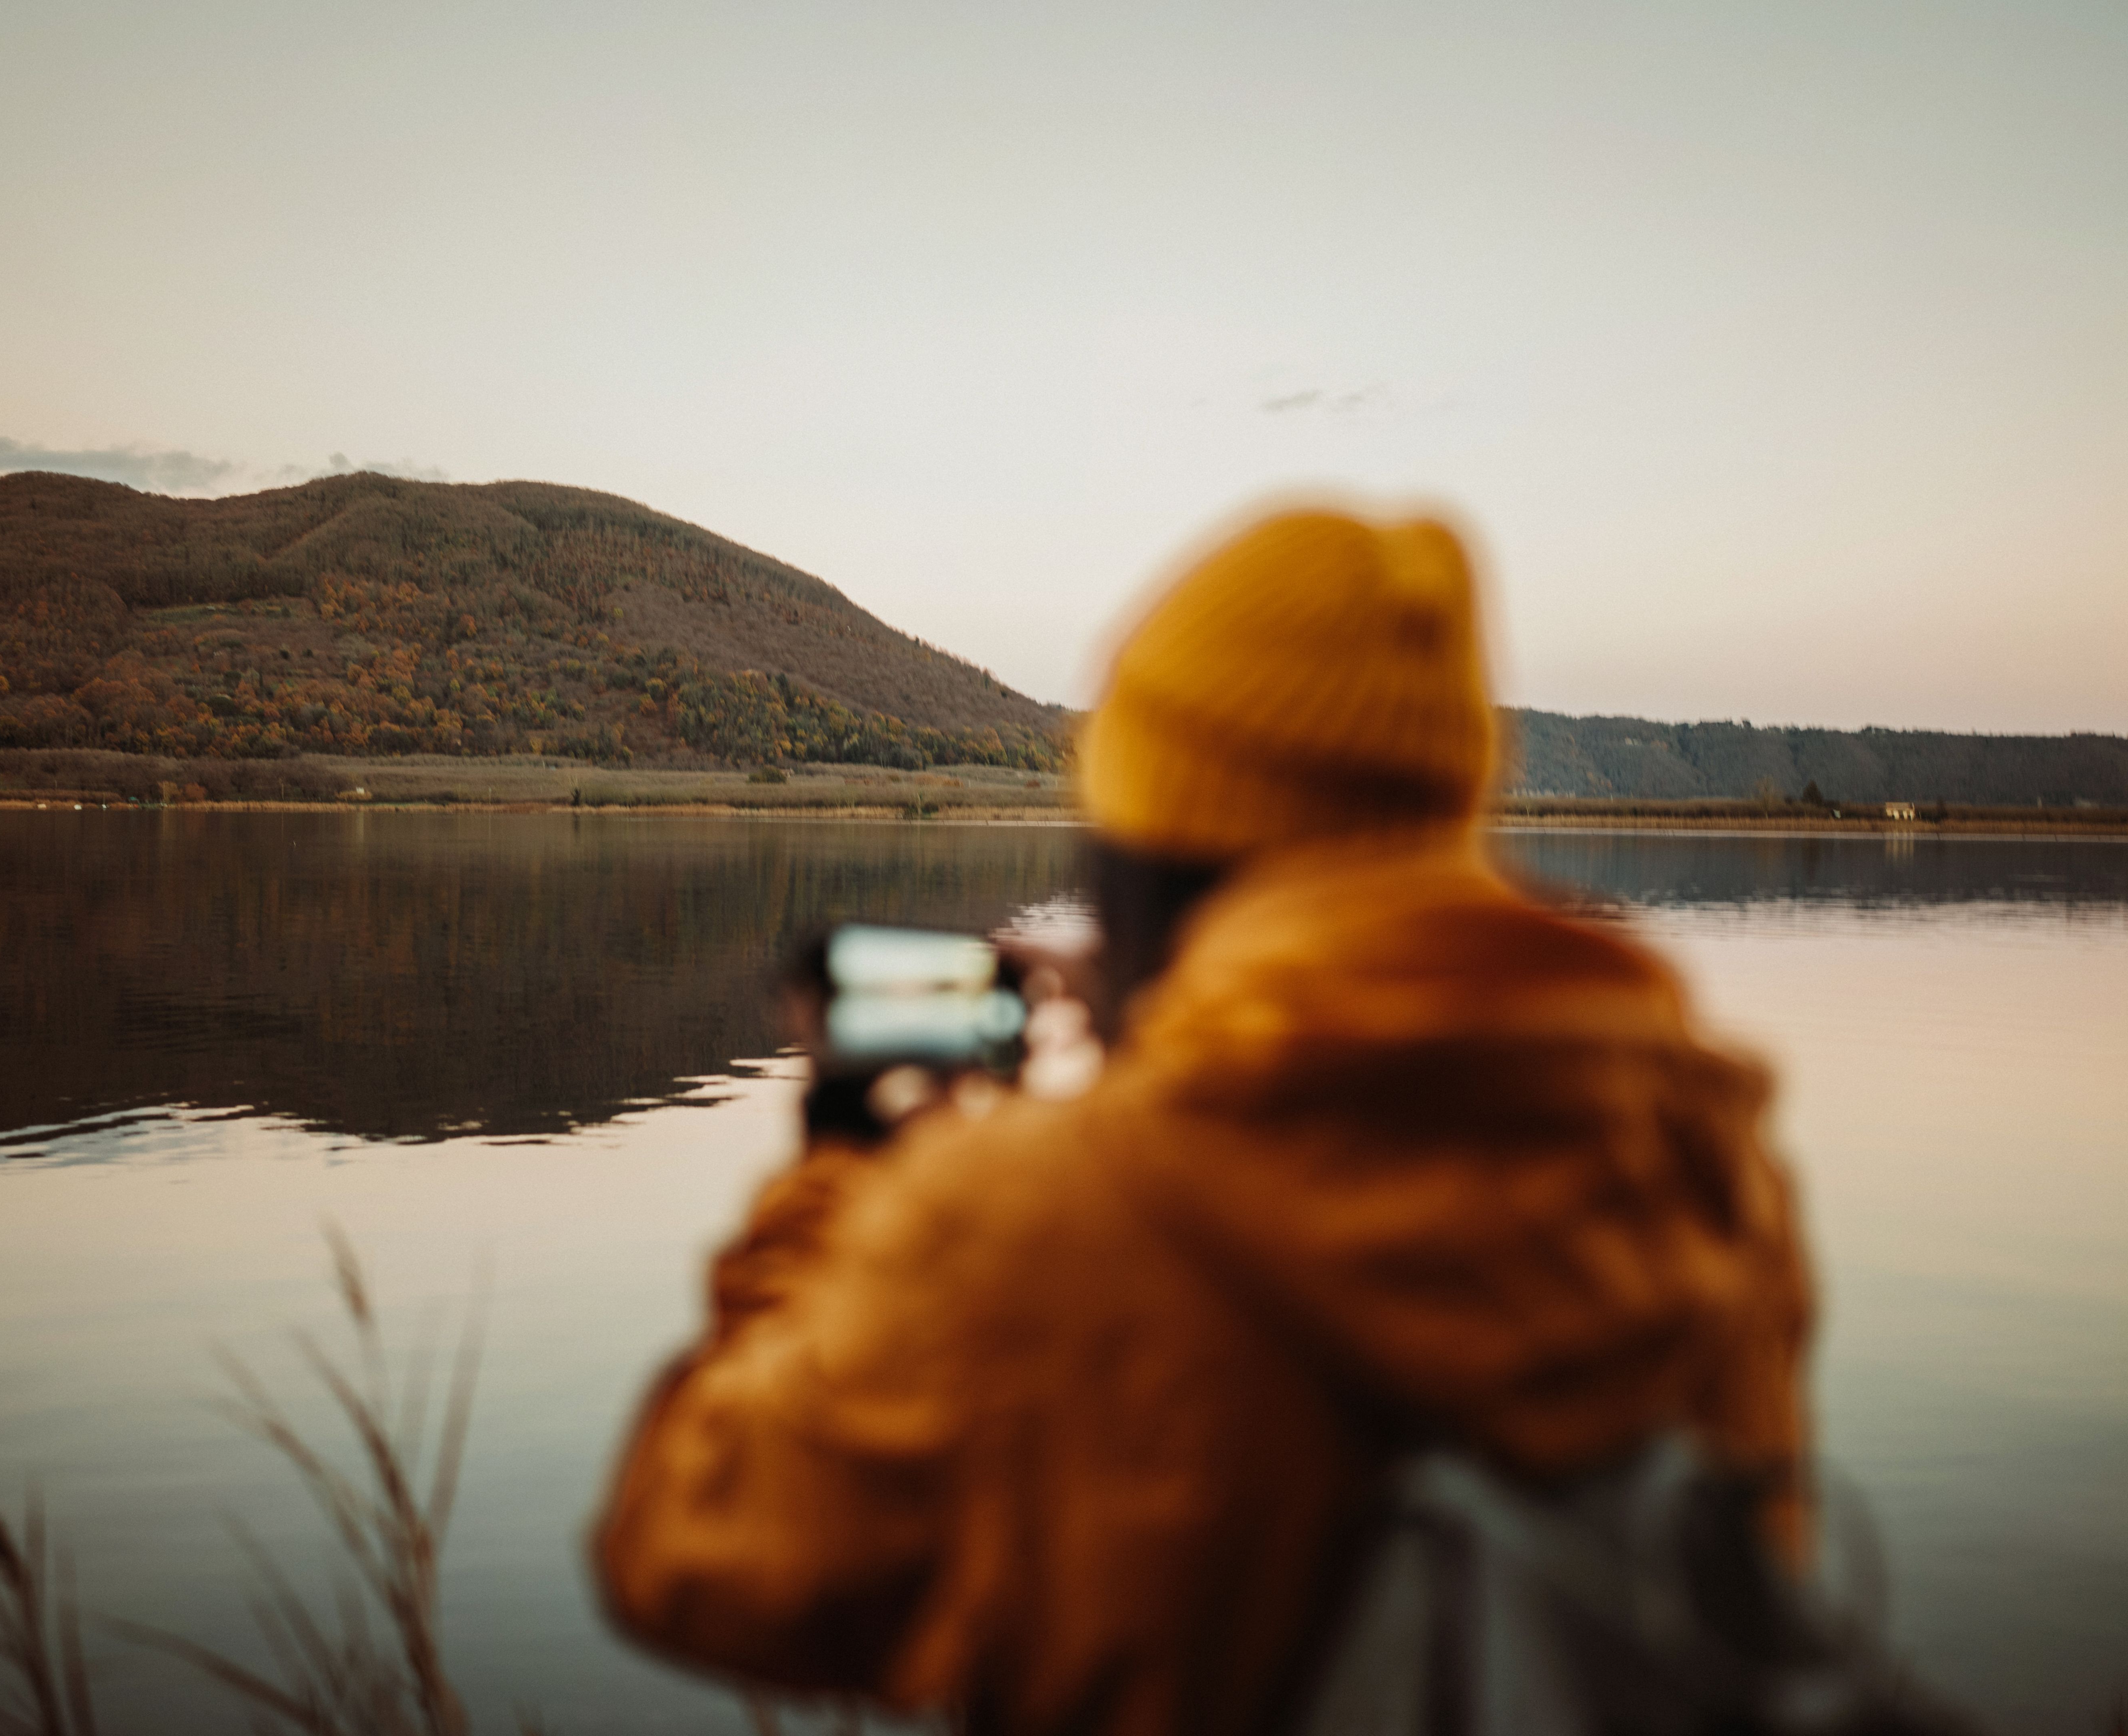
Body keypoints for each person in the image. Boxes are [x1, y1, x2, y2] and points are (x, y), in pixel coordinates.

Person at [593, 507, 1815, 1736]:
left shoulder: (1041, 1216)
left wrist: (848, 1181)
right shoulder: (1702, 1169)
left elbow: (698, 1556)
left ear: (1141, 841)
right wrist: (1173, 1032)